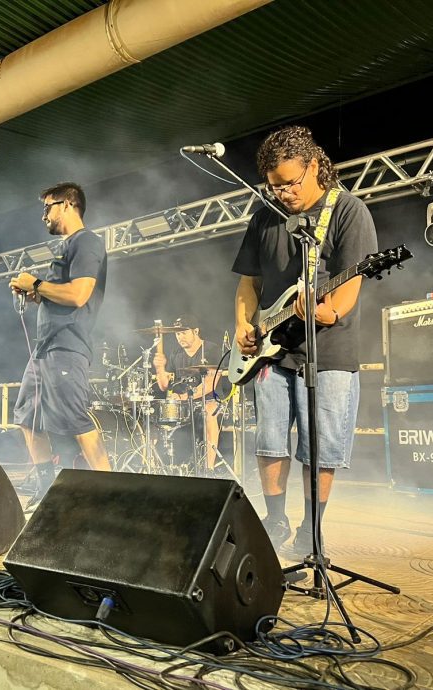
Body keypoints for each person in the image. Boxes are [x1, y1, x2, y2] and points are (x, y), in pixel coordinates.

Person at [232, 125, 378, 556]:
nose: (284, 194)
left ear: (314, 166)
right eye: (275, 187)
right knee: (269, 440)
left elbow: (352, 279)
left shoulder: (348, 210)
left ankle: (312, 530)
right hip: (271, 350)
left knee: (321, 446)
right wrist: (242, 325)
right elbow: (249, 283)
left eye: (290, 183)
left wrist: (329, 311)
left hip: (328, 348)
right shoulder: (265, 218)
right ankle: (275, 520)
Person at [9, 182, 111, 503]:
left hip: (67, 347)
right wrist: (37, 294)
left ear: (67, 204)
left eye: (47, 207)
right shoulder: (68, 246)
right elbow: (61, 297)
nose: (44, 216)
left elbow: (79, 295)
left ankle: (114, 493)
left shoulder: (87, 242)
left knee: (76, 419)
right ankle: (46, 487)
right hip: (45, 349)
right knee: (27, 417)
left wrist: (37, 283)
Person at [153, 315, 224, 474]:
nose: (180, 337)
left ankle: (209, 468)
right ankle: (155, 466)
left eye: (184, 332)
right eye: (177, 334)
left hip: (210, 399)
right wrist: (159, 368)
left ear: (196, 331)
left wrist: (184, 397)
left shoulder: (211, 349)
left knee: (208, 413)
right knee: (152, 414)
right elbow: (164, 386)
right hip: (183, 403)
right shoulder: (175, 353)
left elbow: (209, 384)